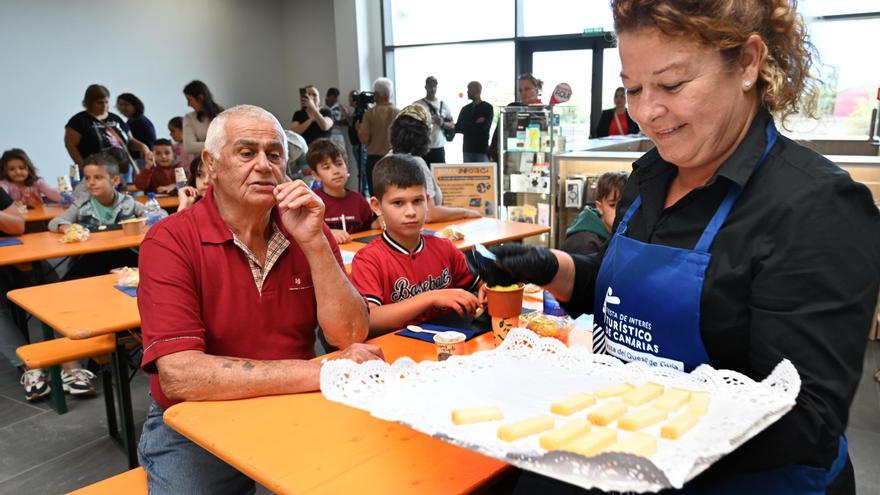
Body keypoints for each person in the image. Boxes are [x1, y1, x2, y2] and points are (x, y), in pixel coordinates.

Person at [478, 1, 880, 493]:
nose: (647, 111)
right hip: (621, 456)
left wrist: (638, 434)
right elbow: (622, 296)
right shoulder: (650, 178)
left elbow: (807, 419)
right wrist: (551, 266)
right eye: (633, 88)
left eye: (672, 85)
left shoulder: (815, 208)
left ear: (748, 63)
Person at [136, 104, 382, 494]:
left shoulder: (306, 226)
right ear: (211, 164)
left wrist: (316, 243)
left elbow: (349, 333)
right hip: (200, 415)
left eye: (275, 154)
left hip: (297, 402)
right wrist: (321, 373)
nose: (265, 165)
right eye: (247, 153)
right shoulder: (169, 240)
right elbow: (180, 375)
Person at [350, 154, 481, 336]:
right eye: (398, 203)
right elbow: (370, 319)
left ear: (427, 201)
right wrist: (431, 297)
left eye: (417, 201)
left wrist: (487, 289)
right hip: (398, 353)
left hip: (451, 345)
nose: (411, 212)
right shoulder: (369, 260)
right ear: (377, 206)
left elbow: (477, 284)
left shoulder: (445, 248)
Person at [49, 152, 164, 280]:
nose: (91, 183)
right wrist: (66, 227)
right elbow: (55, 222)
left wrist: (146, 221)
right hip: (91, 258)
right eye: (87, 178)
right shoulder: (81, 205)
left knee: (153, 274)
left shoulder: (128, 202)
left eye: (98, 177)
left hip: (125, 256)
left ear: (115, 180)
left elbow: (161, 215)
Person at [390, 105, 481, 223]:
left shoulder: (387, 160)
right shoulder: (416, 164)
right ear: (425, 134)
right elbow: (429, 213)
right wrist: (466, 212)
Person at [65, 84, 152, 174]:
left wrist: (143, 147)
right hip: (96, 170)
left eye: (106, 102)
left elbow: (130, 141)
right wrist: (82, 165)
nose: (104, 106)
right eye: (100, 102)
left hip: (123, 169)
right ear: (89, 103)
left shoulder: (115, 118)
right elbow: (71, 145)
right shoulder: (79, 121)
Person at [307, 139, 376, 245]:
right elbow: (306, 234)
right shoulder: (312, 201)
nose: (336, 171)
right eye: (327, 167)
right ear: (316, 175)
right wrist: (328, 233)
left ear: (347, 166)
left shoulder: (358, 200)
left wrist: (380, 222)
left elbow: (369, 228)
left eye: (339, 164)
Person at [561, 172, 627, 256]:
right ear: (599, 207)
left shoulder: (618, 233)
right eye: (613, 205)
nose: (620, 211)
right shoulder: (584, 245)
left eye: (625, 205)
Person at [357, 77, 399, 195]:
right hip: (394, 159)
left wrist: (359, 129)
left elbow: (364, 139)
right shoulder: (398, 112)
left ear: (377, 94)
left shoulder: (370, 113)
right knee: (393, 193)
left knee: (376, 195)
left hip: (375, 161)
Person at [488, 73, 543, 162]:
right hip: (511, 160)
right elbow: (497, 136)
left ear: (536, 89)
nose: (523, 93)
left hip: (536, 161)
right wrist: (493, 156)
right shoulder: (512, 108)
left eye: (527, 89)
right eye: (520, 90)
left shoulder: (543, 111)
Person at [413, 76, 455, 168]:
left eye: (434, 86)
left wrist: (442, 123)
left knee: (439, 176)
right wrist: (426, 121)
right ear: (425, 87)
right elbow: (411, 124)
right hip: (422, 147)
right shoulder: (418, 104)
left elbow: (452, 125)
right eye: (430, 86)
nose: (432, 89)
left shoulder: (443, 105)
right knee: (422, 175)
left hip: (438, 147)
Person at [455, 81, 494, 162]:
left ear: (477, 91)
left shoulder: (488, 108)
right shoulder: (465, 109)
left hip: (481, 150)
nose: (467, 92)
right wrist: (475, 123)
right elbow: (458, 128)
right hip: (467, 150)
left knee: (483, 174)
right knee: (468, 175)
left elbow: (483, 129)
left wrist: (466, 125)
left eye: (469, 89)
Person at [182, 80, 224, 156]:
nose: (188, 104)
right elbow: (189, 147)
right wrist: (217, 145)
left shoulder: (223, 115)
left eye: (189, 100)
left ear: (200, 98)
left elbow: (228, 142)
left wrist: (200, 145)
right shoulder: (189, 118)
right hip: (201, 163)